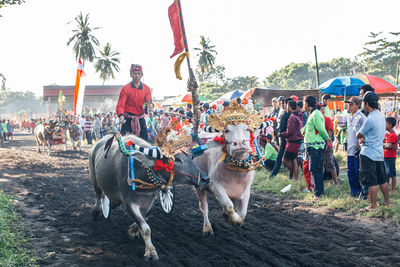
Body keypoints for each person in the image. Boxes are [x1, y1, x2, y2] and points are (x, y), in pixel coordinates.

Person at [356, 92, 390, 210]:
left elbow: (359, 134)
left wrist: (360, 137)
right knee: (382, 180)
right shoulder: (381, 116)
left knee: (372, 181)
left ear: (367, 104)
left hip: (369, 153)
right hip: (379, 153)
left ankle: (373, 205)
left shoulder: (370, 119)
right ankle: (387, 203)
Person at [302, 96, 329, 201]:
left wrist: (327, 139)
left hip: (316, 147)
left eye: (304, 103)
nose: (303, 105)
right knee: (315, 169)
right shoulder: (313, 114)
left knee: (315, 169)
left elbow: (321, 129)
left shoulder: (316, 114)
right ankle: (319, 192)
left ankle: (318, 194)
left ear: (308, 104)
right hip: (312, 146)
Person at [116, 64, 152, 141]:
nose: (137, 76)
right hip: (127, 119)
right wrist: (121, 115)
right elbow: (120, 105)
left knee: (144, 141)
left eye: (139, 73)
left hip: (140, 118)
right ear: (131, 75)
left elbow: (149, 101)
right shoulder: (125, 89)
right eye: (134, 73)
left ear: (142, 74)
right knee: (127, 143)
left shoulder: (147, 89)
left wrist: (149, 106)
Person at [344, 96, 366, 197]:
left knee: (358, 172)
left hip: (358, 149)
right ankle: (353, 191)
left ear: (357, 105)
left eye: (351, 104)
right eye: (349, 104)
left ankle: (361, 192)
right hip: (350, 149)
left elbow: (367, 131)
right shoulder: (349, 116)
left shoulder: (361, 117)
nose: (349, 106)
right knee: (350, 172)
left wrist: (360, 142)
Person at [269, 97, 293, 178]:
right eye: (281, 103)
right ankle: (291, 175)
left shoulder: (286, 114)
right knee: (288, 158)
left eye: (284, 103)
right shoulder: (287, 113)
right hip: (287, 138)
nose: (282, 105)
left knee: (282, 157)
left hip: (285, 138)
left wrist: (280, 133)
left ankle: (274, 174)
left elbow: (283, 128)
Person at [281, 100, 303, 180]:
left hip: (293, 141)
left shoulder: (292, 117)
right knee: (294, 160)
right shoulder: (298, 116)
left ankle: (295, 175)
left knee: (285, 160)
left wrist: (282, 134)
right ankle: (295, 178)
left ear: (289, 107)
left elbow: (289, 131)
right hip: (297, 140)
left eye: (287, 106)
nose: (286, 108)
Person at [320, 104, 338, 184]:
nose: (322, 110)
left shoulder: (327, 119)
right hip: (318, 145)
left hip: (327, 145)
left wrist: (327, 143)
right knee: (321, 164)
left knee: (330, 163)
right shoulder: (317, 119)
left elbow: (330, 133)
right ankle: (321, 182)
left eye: (322, 109)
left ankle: (336, 182)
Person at [383, 117, 397, 193]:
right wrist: (385, 145)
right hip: (384, 156)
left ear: (390, 125)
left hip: (390, 157)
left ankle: (393, 190)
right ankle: (386, 188)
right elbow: (386, 145)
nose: (384, 125)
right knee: (386, 174)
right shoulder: (386, 134)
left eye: (385, 123)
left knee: (392, 174)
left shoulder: (394, 135)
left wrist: (383, 145)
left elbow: (389, 146)